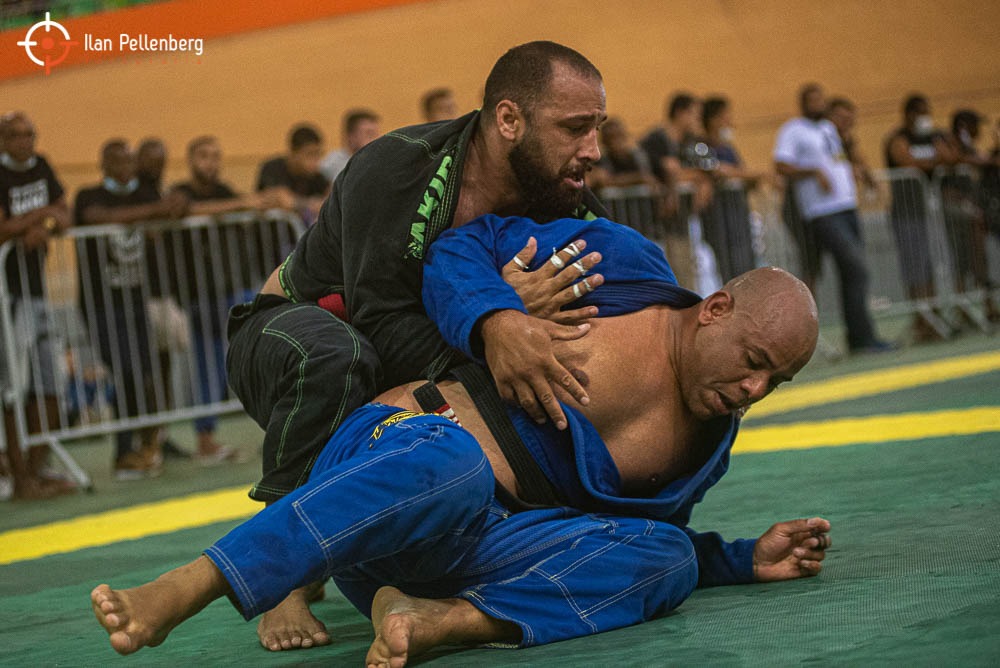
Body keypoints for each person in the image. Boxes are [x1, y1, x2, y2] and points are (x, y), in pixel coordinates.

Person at [91, 214, 831, 663]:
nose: (754, 391)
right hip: (402, 458)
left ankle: (438, 619)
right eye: (755, 363)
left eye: (777, 383)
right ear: (717, 308)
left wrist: (738, 559)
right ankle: (199, 581)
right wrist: (497, 319)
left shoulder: (709, 444)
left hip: (478, 553)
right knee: (455, 465)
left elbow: (619, 537)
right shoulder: (622, 268)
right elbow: (459, 247)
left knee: (664, 557)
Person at [226, 41, 609, 650]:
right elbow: (379, 323)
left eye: (598, 128)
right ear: (509, 120)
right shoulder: (398, 168)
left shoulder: (559, 191)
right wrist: (496, 317)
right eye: (575, 128)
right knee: (340, 356)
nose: (592, 149)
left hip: (399, 349)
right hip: (288, 332)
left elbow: (614, 300)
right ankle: (283, 581)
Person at [167, 136, 290, 464]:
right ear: (191, 159)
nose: (211, 162)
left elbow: (251, 205)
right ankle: (205, 440)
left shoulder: (225, 191)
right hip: (197, 295)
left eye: (216, 156)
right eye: (204, 155)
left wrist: (267, 202)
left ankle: (285, 429)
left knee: (264, 343)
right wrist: (244, 204)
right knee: (207, 369)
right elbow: (186, 210)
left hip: (232, 291)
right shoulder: (181, 193)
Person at [74, 139, 188, 479]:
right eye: (117, 162)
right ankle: (123, 451)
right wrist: (154, 211)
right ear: (104, 165)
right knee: (123, 369)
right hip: (101, 303)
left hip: (137, 300)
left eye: (129, 162)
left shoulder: (144, 194)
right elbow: (99, 216)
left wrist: (173, 205)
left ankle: (144, 445)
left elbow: (174, 209)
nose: (125, 168)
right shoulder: (89, 195)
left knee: (143, 372)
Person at [774, 84, 894, 354]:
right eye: (812, 100)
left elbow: (841, 157)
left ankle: (859, 336)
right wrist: (813, 172)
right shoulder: (793, 130)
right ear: (803, 103)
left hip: (846, 207)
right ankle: (859, 337)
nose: (817, 104)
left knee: (852, 273)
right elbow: (781, 164)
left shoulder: (827, 129)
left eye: (820, 99)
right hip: (821, 212)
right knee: (856, 267)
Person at [0, 111, 74, 499]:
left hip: (38, 292)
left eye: (30, 134)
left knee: (49, 383)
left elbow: (63, 211)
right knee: (15, 388)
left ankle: (35, 469)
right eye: (15, 135)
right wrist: (38, 218)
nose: (25, 141)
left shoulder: (42, 166)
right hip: (7, 294)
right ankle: (20, 478)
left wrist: (43, 224)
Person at [884, 93, 960, 342]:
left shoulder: (935, 135)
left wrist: (936, 157)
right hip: (908, 212)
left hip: (932, 212)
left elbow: (952, 157)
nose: (925, 118)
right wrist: (936, 160)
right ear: (909, 114)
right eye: (921, 112)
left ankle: (934, 317)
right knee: (915, 267)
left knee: (931, 265)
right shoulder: (897, 138)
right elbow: (906, 161)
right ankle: (922, 320)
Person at [256, 123, 331, 226]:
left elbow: (330, 196)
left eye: (318, 154)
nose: (315, 160)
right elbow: (281, 199)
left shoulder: (315, 175)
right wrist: (312, 204)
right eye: (309, 154)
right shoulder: (273, 168)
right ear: (293, 153)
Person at [319, 109, 382, 183]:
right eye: (369, 134)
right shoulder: (331, 165)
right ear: (351, 136)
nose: (376, 140)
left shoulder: (379, 163)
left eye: (376, 134)